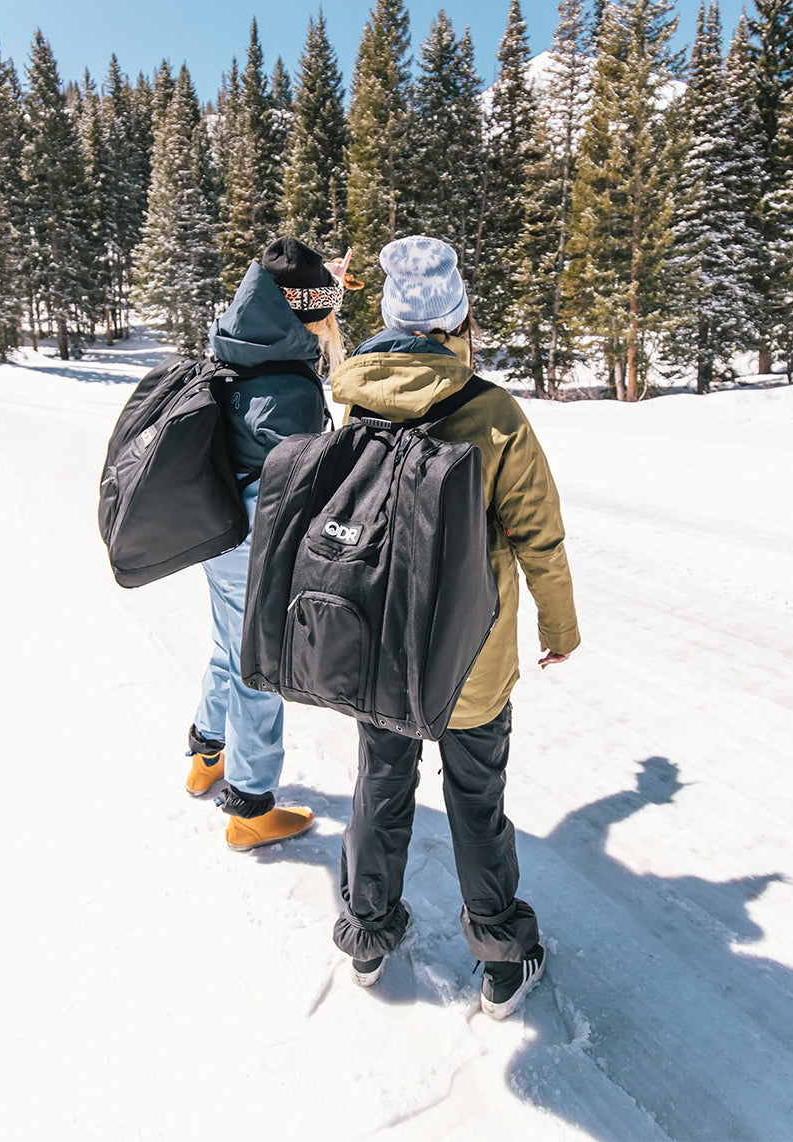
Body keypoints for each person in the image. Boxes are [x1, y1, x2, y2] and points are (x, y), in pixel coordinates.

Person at [325, 235, 580, 1019]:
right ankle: (503, 958)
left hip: (379, 646)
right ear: (457, 317)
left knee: (381, 786)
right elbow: (539, 532)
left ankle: (366, 938)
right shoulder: (494, 413)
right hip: (473, 653)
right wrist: (560, 626)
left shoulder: (357, 399)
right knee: (475, 799)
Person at [185, 237, 357, 851]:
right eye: (327, 312)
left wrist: (322, 283)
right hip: (251, 546)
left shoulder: (238, 344)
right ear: (308, 313)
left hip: (213, 529)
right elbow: (300, 488)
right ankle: (250, 806)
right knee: (258, 668)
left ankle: (206, 753)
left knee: (227, 648)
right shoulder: (292, 389)